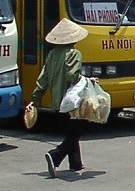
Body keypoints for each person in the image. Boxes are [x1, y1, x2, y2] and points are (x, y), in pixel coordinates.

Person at [25, 18, 90, 178]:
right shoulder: (74, 54)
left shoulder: (52, 55)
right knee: (76, 132)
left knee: (70, 131)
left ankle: (76, 163)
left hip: (57, 102)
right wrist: (86, 80)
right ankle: (55, 155)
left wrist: (36, 97)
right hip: (71, 102)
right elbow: (72, 76)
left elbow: (43, 78)